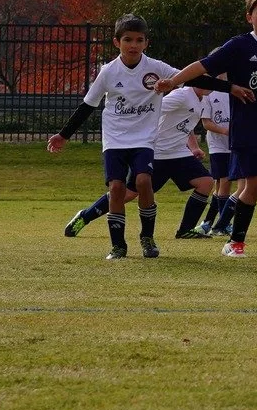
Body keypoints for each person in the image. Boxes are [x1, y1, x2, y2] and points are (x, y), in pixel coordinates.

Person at [157, 0, 257, 260]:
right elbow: (202, 66)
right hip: (247, 126)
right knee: (254, 184)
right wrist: (175, 80)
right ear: (250, 17)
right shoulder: (239, 46)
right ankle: (235, 241)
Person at [50, 15, 180, 261]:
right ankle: (118, 246)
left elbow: (189, 77)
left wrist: (229, 87)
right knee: (117, 188)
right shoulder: (108, 72)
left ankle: (147, 238)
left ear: (146, 43)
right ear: (116, 42)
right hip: (115, 140)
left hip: (144, 139)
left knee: (143, 182)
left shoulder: (157, 68)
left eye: (139, 40)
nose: (133, 45)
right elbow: (88, 105)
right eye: (127, 40)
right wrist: (63, 135)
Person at [150, 82, 220, 239]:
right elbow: (152, 109)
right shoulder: (181, 95)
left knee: (206, 182)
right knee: (128, 193)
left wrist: (194, 147)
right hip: (159, 153)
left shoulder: (201, 99)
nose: (211, 83)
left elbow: (186, 124)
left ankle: (185, 230)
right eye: (207, 79)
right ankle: (86, 215)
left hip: (179, 153)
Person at [196, 82, 235, 236]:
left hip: (235, 144)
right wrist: (226, 131)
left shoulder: (235, 89)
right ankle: (223, 225)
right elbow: (206, 123)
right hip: (218, 146)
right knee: (224, 181)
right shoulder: (208, 93)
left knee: (220, 185)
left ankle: (208, 222)